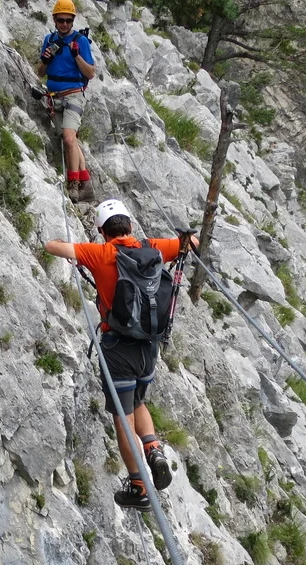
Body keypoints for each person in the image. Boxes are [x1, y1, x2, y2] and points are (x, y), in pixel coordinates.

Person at [44, 199, 195, 511]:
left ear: (102, 230)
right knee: (139, 401)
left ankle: (139, 486)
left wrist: (72, 247)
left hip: (118, 349)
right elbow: (190, 243)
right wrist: (187, 238)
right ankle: (152, 447)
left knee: (122, 420)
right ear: (129, 224)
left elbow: (51, 246)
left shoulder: (99, 253)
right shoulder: (153, 247)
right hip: (149, 347)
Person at [37, 0, 96, 203]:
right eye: (60, 20)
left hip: (73, 95)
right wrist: (45, 60)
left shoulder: (81, 42)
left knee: (69, 139)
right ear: (54, 20)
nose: (64, 24)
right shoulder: (49, 40)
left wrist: (77, 56)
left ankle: (73, 186)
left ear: (73, 21)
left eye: (68, 20)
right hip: (54, 95)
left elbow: (90, 72)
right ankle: (85, 183)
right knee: (70, 140)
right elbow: (41, 72)